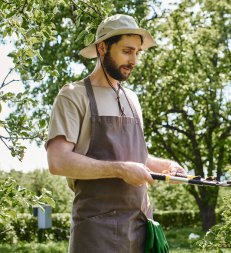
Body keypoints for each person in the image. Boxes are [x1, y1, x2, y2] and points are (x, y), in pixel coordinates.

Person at [46, 14, 185, 252]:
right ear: (102, 48)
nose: (134, 60)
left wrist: (164, 165)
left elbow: (135, 157)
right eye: (127, 51)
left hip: (140, 229)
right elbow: (58, 161)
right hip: (96, 233)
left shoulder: (132, 99)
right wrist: (120, 170)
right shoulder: (73, 95)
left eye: (138, 52)